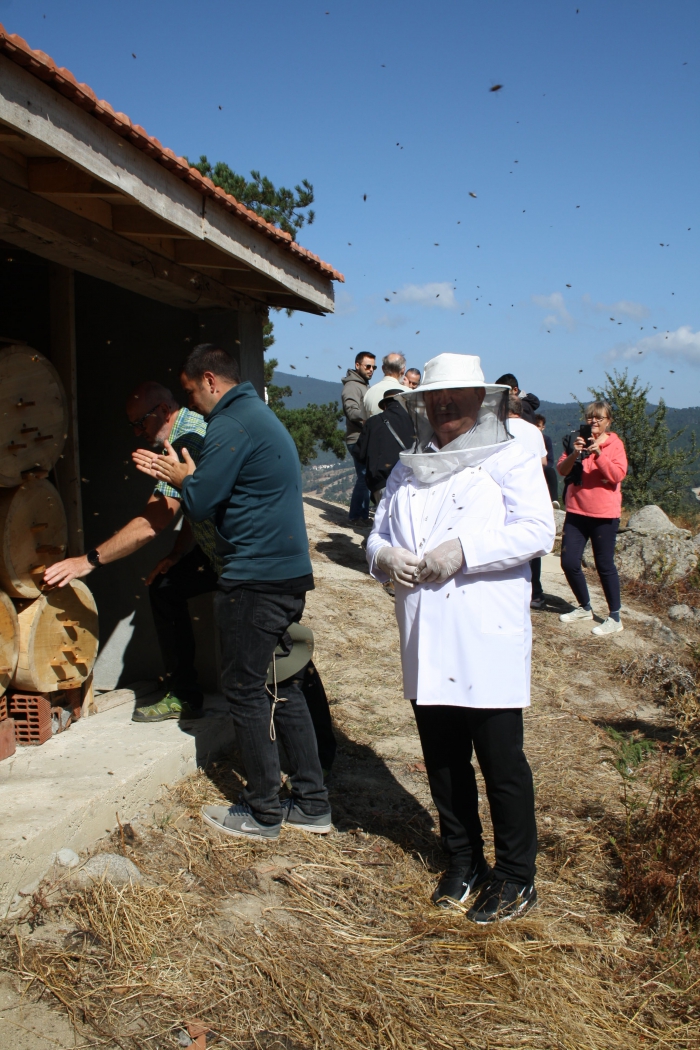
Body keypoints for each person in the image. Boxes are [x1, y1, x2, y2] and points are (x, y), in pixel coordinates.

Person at [367, 353, 554, 923]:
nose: (444, 406)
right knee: (443, 757)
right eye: (434, 398)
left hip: (484, 632)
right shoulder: (409, 466)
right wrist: (384, 557)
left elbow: (538, 530)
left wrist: (465, 551)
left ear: (482, 400)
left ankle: (517, 876)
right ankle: (464, 860)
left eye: (456, 397)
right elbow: (376, 532)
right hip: (424, 632)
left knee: (501, 761)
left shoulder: (511, 454)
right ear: (422, 405)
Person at [135, 344, 331, 841]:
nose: (191, 402)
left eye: (190, 392)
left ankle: (262, 811)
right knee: (283, 685)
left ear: (209, 380)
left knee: (245, 690)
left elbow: (201, 501)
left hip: (254, 579)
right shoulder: (257, 414)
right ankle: (311, 803)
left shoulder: (229, 422)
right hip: (285, 573)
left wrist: (179, 476)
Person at [43, 381, 219, 722]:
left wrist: (88, 561)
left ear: (164, 411)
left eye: (141, 421)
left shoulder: (186, 440)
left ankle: (189, 696)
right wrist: (178, 554)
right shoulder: (182, 432)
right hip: (219, 551)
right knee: (165, 586)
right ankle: (184, 695)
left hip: (241, 558)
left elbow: (153, 522)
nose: (138, 432)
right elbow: (194, 504)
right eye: (133, 424)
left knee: (270, 650)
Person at [557, 400, 628, 637]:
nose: (594, 422)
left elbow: (617, 475)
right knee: (569, 562)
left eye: (599, 418)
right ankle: (585, 607)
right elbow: (562, 470)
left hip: (604, 515)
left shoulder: (615, 444)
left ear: (609, 421)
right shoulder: (576, 440)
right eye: (590, 417)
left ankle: (615, 617)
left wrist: (599, 454)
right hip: (576, 511)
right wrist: (576, 452)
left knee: (604, 565)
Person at [507, 397, 549, 610]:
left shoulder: (500, 427)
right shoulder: (534, 430)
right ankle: (536, 592)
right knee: (532, 543)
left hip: (507, 490)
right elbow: (544, 461)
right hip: (533, 489)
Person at [354, 387, 415, 504]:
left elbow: (359, 454)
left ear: (385, 406)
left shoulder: (373, 422)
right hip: (411, 483)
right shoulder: (415, 423)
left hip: (382, 483)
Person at [341, 352, 376, 526]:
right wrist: (368, 418)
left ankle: (362, 515)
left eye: (374, 367)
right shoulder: (352, 386)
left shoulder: (363, 385)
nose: (371, 370)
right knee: (363, 477)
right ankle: (355, 516)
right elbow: (350, 409)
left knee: (366, 477)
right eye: (367, 366)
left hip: (363, 438)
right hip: (357, 439)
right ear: (357, 365)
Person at [535, 413, 559, 505]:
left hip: (543, 467)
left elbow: (550, 460)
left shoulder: (546, 439)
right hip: (530, 467)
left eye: (538, 426)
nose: (536, 428)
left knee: (551, 472)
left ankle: (554, 500)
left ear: (543, 427)